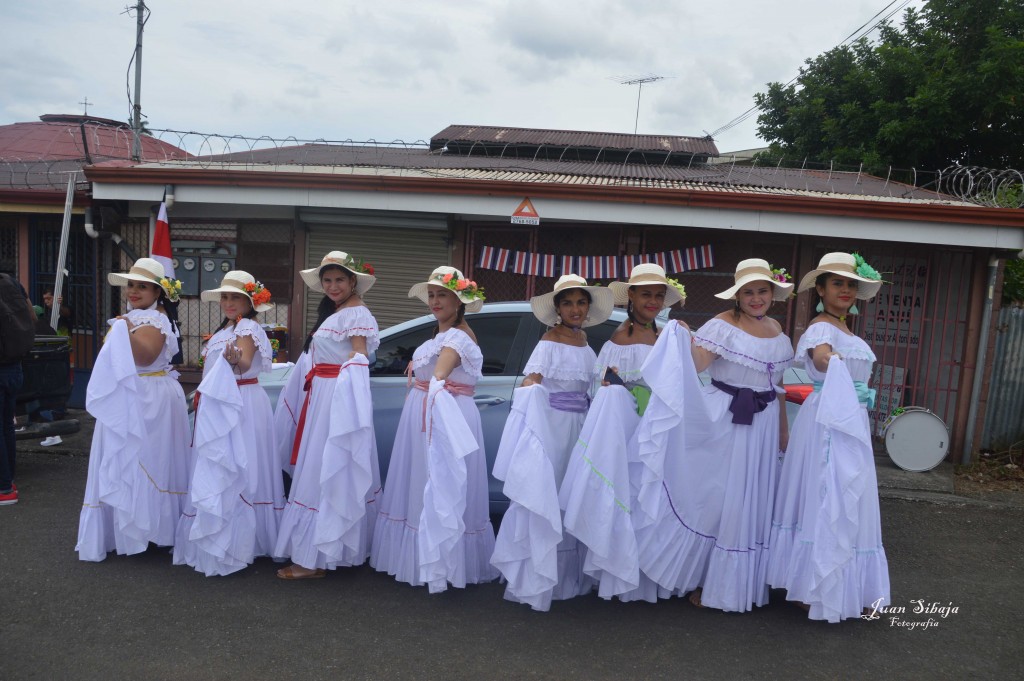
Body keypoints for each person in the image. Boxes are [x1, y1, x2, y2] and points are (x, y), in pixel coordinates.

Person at [631, 257, 794, 612]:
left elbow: (778, 385)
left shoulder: (777, 329)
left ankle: (742, 580)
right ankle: (713, 581)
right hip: (729, 422)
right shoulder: (722, 325)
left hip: (764, 426)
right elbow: (698, 363)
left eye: (762, 291)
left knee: (754, 498)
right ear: (737, 296)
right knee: (721, 499)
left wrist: (783, 428)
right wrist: (683, 338)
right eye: (748, 292)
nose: (756, 298)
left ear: (772, 293)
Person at [767, 252, 891, 622]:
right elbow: (821, 357)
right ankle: (814, 586)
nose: (846, 289)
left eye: (851, 284)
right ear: (820, 289)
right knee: (827, 495)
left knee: (851, 496)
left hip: (851, 419)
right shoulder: (821, 328)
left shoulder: (845, 329)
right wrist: (830, 360)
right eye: (837, 283)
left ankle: (852, 586)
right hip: (829, 421)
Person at [558, 264, 683, 602]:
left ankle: (653, 572)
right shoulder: (618, 340)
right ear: (631, 297)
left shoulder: (668, 335)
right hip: (632, 433)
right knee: (634, 497)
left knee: (657, 500)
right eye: (646, 294)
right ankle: (625, 574)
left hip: (662, 431)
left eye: (659, 296)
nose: (653, 301)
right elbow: (604, 392)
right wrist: (625, 389)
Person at [370, 266, 497, 593]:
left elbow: (440, 374)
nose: (435, 301)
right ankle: (423, 555)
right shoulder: (442, 333)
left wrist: (433, 387)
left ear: (459, 300)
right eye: (432, 295)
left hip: (443, 415)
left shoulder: (457, 337)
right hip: (428, 410)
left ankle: (439, 562)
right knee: (421, 481)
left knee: (437, 482)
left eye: (443, 294)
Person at [490, 273, 613, 610]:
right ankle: (538, 577)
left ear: (588, 307)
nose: (575, 309)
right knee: (551, 494)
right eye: (568, 303)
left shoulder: (585, 341)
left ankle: (567, 577)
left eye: (581, 302)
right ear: (558, 309)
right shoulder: (548, 342)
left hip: (580, 428)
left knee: (572, 496)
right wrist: (532, 391)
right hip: (553, 428)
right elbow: (532, 379)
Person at [274, 251, 381, 579]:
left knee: (325, 468)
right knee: (321, 468)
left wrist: (345, 402)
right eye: (328, 280)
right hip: (322, 394)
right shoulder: (336, 311)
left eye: (339, 280)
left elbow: (360, 356)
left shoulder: (355, 313)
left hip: (336, 398)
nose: (333, 286)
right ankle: (320, 553)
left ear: (353, 282)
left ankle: (312, 559)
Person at [76, 257, 191, 560]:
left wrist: (124, 330)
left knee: (147, 460)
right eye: (131, 285)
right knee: (122, 458)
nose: (134, 291)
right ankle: (123, 528)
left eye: (143, 286)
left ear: (158, 293)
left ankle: (150, 529)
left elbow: (145, 356)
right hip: (129, 394)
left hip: (149, 398)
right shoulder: (132, 317)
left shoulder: (156, 319)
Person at [172, 270, 285, 576]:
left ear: (250, 302)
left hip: (239, 403)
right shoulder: (226, 329)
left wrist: (236, 360)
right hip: (220, 403)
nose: (229, 302)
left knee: (234, 466)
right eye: (225, 296)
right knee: (221, 464)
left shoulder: (247, 327)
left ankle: (234, 542)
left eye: (236, 297)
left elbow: (244, 363)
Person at [0, 272, 36, 506]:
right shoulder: (11, 282)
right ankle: (8, 481)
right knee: (6, 426)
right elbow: (31, 316)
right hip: (15, 366)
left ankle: (4, 489)